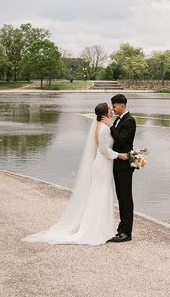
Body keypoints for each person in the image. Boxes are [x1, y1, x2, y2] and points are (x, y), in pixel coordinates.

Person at [23, 102, 128, 246]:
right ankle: (94, 230)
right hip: (103, 164)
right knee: (100, 195)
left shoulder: (100, 126)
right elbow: (104, 150)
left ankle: (99, 227)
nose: (112, 111)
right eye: (110, 109)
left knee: (100, 194)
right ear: (104, 113)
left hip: (103, 164)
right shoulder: (103, 128)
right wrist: (120, 155)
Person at [101, 93, 136, 242]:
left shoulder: (130, 121)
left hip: (125, 166)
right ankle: (121, 228)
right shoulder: (118, 120)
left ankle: (127, 233)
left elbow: (121, 141)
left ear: (122, 105)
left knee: (126, 198)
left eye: (114, 106)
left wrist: (110, 126)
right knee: (121, 197)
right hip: (117, 164)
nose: (113, 109)